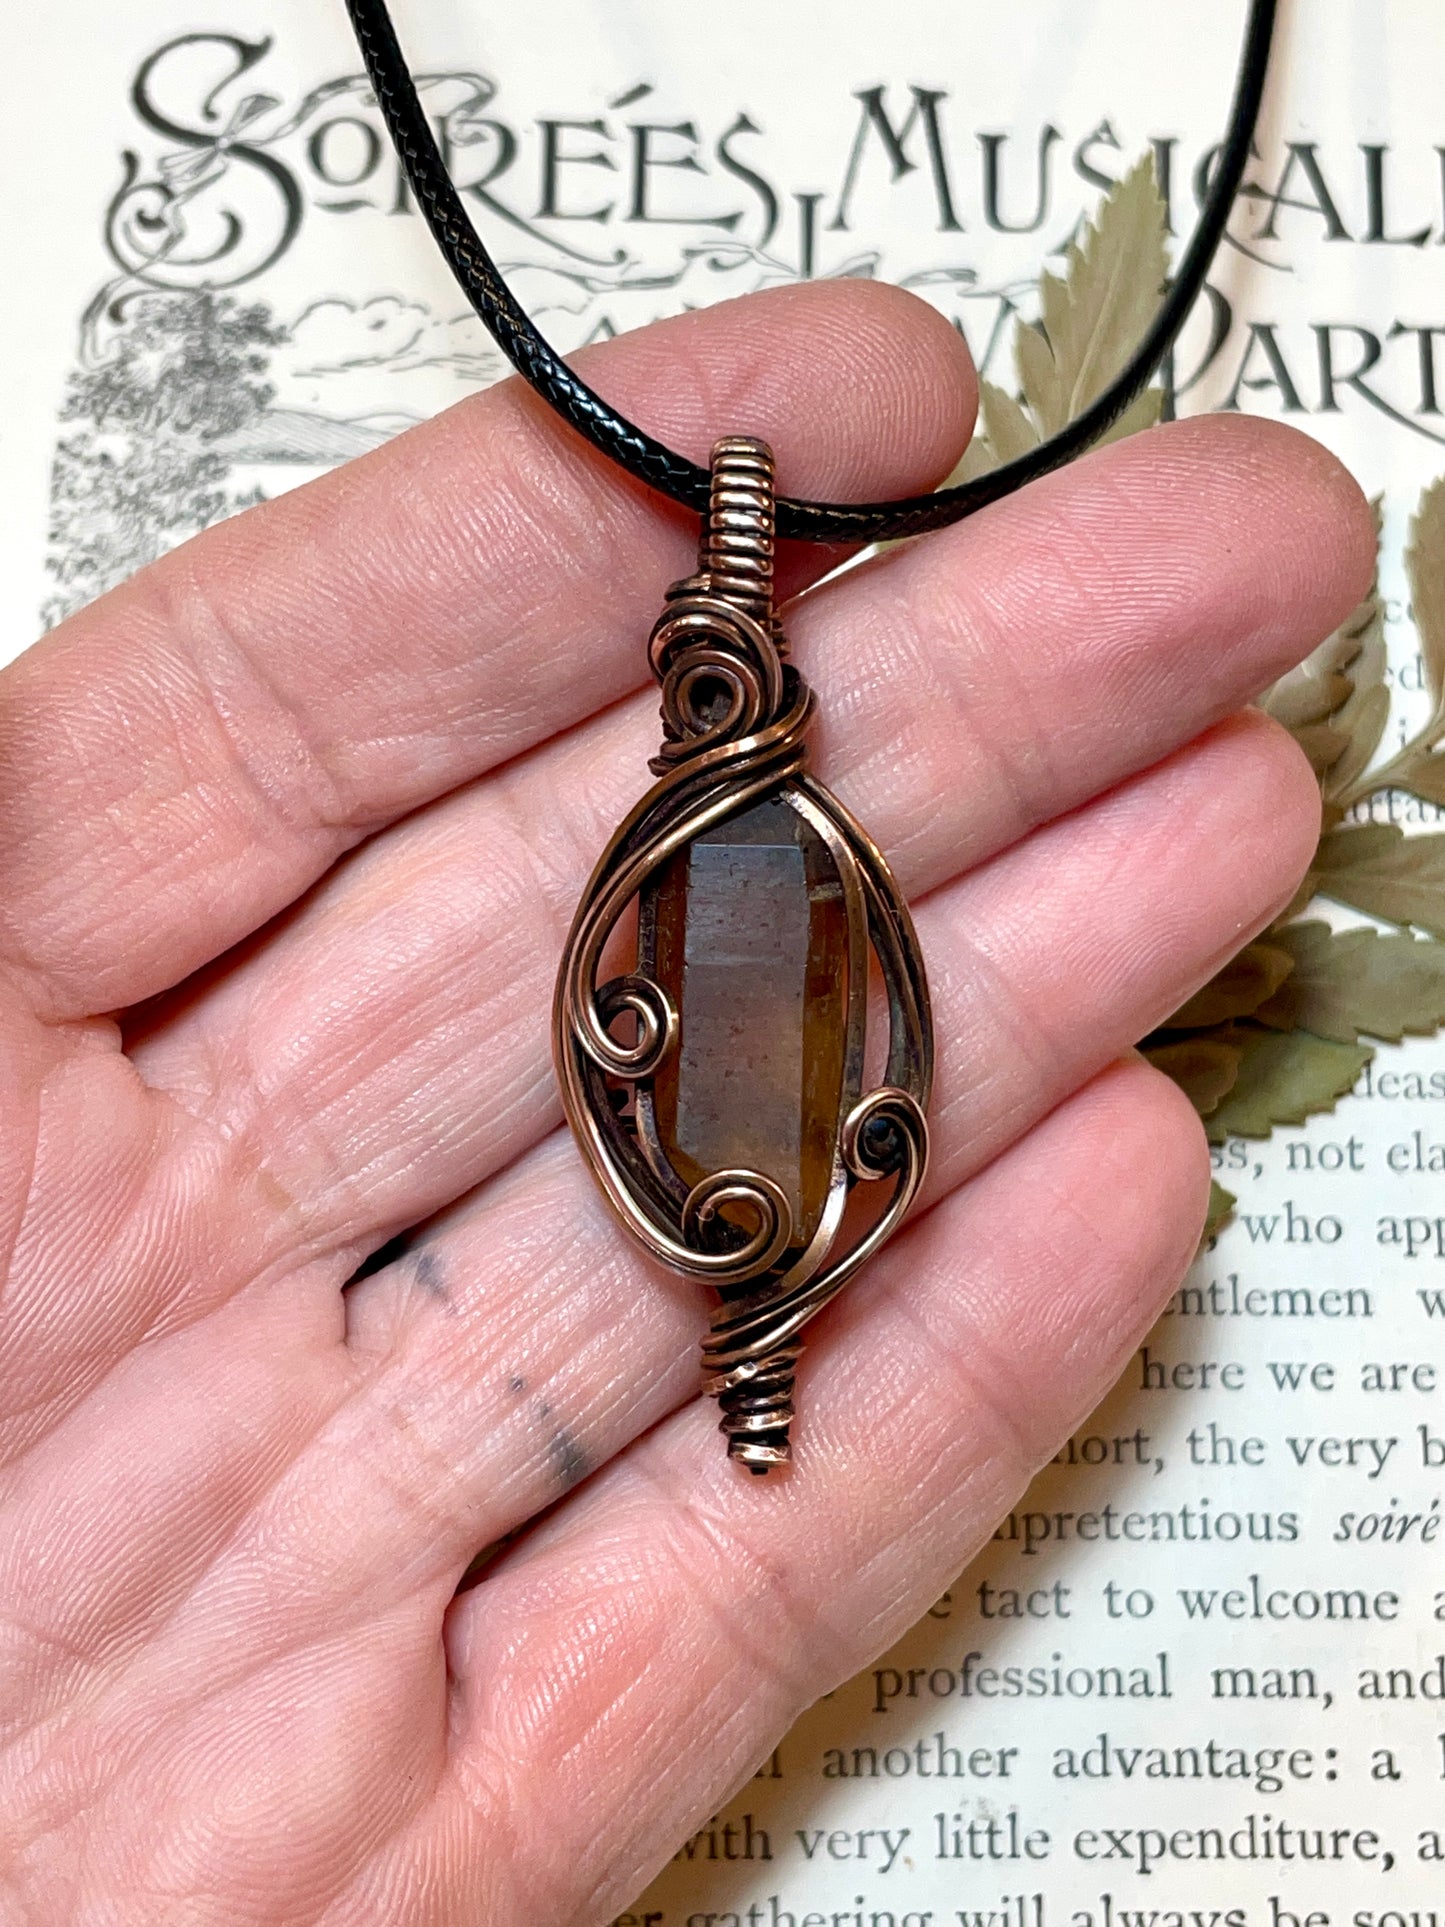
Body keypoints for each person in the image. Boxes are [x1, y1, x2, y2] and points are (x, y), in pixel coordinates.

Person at [0, 280, 1371, 1924]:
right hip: (744, 1195)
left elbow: (777, 1029)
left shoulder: (770, 851)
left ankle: (757, 1348)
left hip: (752, 1194)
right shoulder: (757, 851)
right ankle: (756, 1346)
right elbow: (665, 1026)